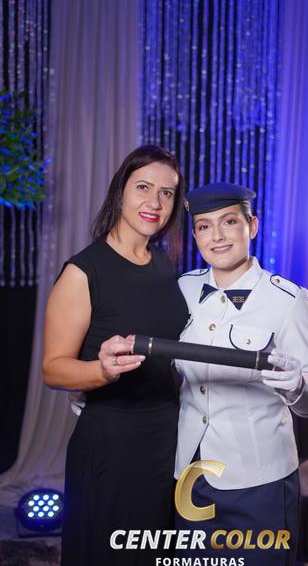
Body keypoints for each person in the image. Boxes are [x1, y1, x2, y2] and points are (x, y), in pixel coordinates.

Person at [174, 182, 308, 565]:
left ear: (252, 226)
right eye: (203, 226)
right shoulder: (182, 289)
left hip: (259, 480)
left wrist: (300, 386)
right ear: (195, 235)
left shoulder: (288, 300)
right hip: (189, 474)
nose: (216, 236)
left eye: (229, 222)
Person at [43, 145, 189, 566]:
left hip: (167, 444)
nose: (155, 202)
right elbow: (53, 368)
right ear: (120, 190)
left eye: (166, 193)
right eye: (143, 187)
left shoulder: (166, 267)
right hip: (111, 448)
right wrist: (101, 370)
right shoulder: (83, 271)